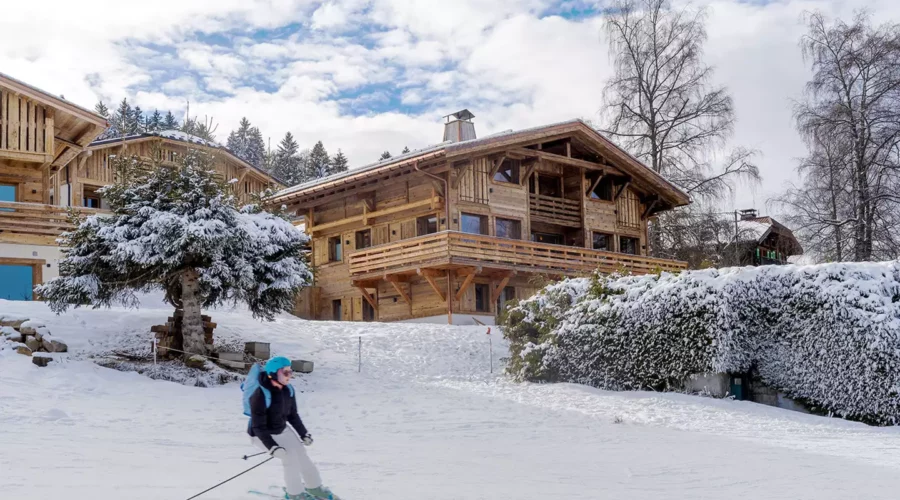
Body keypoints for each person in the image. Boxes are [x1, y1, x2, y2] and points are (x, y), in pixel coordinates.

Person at [248, 356, 340, 500]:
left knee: (302, 456)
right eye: (285, 372)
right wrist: (272, 447)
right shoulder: (259, 395)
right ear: (272, 373)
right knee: (289, 459)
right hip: (261, 435)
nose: (289, 375)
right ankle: (294, 494)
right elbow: (258, 426)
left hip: (282, 430)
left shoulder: (288, 390)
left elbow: (293, 415)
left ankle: (314, 487)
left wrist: (304, 434)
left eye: (290, 371)